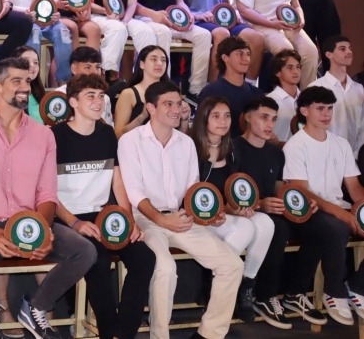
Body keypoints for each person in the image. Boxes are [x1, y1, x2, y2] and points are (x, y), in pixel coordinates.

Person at [0, 57, 96, 339]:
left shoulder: (43, 135)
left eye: (28, 81)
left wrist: (43, 232)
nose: (25, 87)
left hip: (31, 222)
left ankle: (36, 306)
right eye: (16, 81)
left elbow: (47, 193)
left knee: (85, 252)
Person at [118, 80, 243, 339]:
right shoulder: (131, 141)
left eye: (178, 103)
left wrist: (208, 214)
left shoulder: (186, 143)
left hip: (181, 217)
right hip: (145, 218)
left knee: (232, 265)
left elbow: (192, 190)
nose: (176, 110)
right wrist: (161, 221)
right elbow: (135, 193)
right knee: (165, 268)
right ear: (150, 108)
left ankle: (208, 334)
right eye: (168, 104)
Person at [52, 74, 155, 339]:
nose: (98, 102)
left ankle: (124, 332)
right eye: (90, 96)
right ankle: (109, 332)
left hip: (103, 215)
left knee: (145, 257)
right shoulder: (56, 136)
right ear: (73, 102)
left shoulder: (107, 133)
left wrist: (129, 222)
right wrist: (75, 222)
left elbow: (117, 182)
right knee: (97, 258)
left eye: (101, 96)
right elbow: (48, 193)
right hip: (67, 217)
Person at [234, 96, 325, 328]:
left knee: (318, 226)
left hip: (272, 208)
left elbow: (278, 188)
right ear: (247, 117)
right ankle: (265, 297)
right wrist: (259, 204)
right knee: (278, 227)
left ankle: (295, 293)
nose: (269, 124)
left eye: (273, 119)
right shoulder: (233, 149)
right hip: (245, 213)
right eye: (264, 118)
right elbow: (231, 193)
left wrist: (301, 203)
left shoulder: (275, 153)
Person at [282, 86, 364, 325]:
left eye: (329, 108)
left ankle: (357, 286)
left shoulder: (341, 144)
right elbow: (301, 190)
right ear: (304, 111)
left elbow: (354, 188)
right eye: (320, 108)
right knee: (336, 228)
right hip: (307, 210)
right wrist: (342, 214)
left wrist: (360, 211)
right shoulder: (295, 145)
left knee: (340, 224)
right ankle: (334, 291)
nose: (326, 114)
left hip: (337, 207)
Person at [190, 96, 275, 322]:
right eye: (216, 116)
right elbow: (191, 195)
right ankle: (215, 285)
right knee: (245, 228)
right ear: (204, 118)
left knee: (266, 223)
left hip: (224, 213)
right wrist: (228, 210)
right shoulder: (191, 147)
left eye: (227, 116)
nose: (223, 121)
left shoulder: (232, 149)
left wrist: (242, 206)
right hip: (199, 215)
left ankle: (245, 285)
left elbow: (235, 188)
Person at [197, 37, 264, 138]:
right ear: (225, 58)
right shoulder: (211, 92)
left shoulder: (257, 94)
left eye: (248, 54)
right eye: (240, 54)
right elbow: (201, 128)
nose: (246, 59)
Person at [310, 36, 364, 155]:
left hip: (356, 156)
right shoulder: (316, 88)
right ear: (329, 54)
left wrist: (357, 155)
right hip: (326, 154)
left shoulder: (359, 89)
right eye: (342, 49)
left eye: (350, 48)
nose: (349, 52)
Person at [114, 45, 180, 138]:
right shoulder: (129, 94)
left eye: (163, 60)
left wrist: (184, 119)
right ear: (142, 64)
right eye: (154, 59)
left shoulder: (172, 93)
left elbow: (179, 135)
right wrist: (142, 116)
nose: (159, 63)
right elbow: (118, 135)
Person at [56, 46, 114, 126]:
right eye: (87, 67)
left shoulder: (105, 98)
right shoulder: (59, 96)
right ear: (73, 68)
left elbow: (108, 127)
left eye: (97, 67)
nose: (94, 72)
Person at [266, 49, 302, 143]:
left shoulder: (307, 99)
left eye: (298, 67)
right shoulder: (270, 100)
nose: (296, 71)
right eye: (290, 67)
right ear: (278, 72)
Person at [11, 46, 48, 124]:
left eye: (35, 62)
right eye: (26, 61)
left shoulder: (40, 94)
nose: (32, 65)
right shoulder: (7, 93)